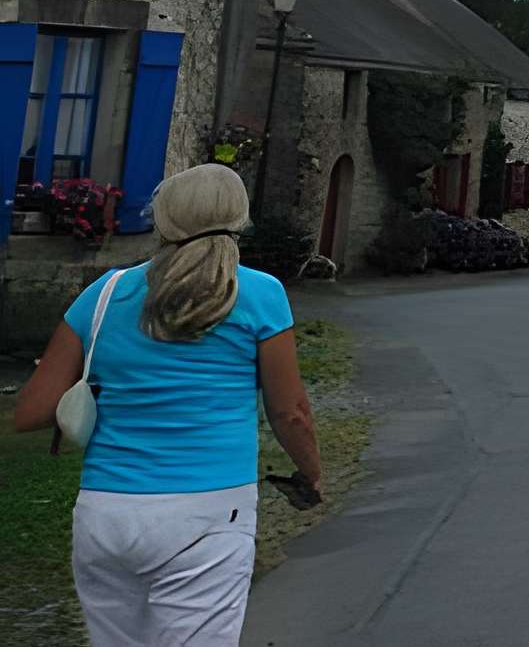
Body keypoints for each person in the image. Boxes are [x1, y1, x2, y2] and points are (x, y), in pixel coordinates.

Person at [10, 162, 322, 646]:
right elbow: (290, 412)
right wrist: (311, 471)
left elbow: (29, 412)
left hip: (106, 512)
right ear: (239, 220)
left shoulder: (104, 293)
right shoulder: (259, 294)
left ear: (162, 220)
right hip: (208, 513)